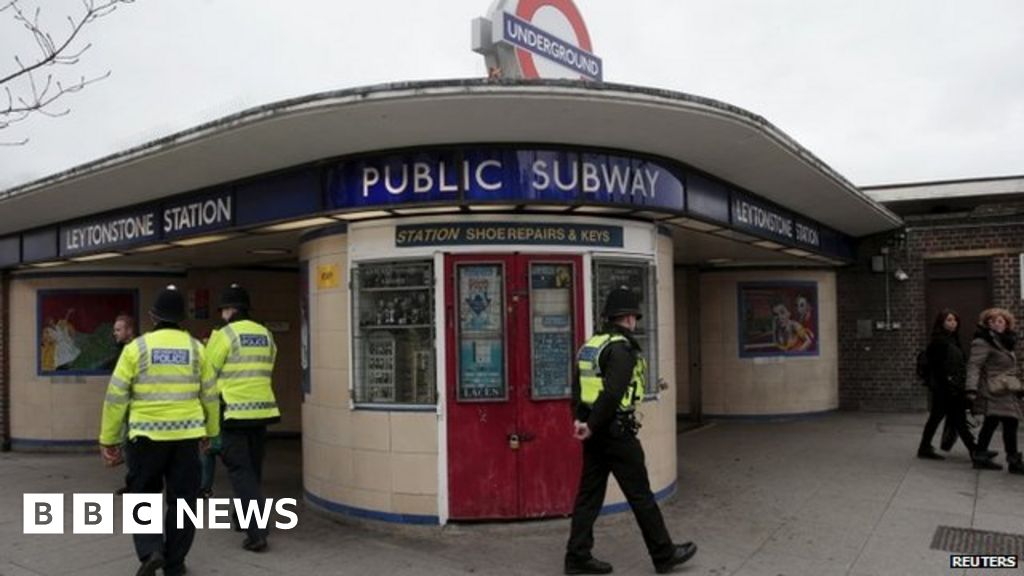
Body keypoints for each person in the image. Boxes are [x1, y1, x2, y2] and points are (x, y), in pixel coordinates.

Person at [565, 286, 697, 575]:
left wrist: (581, 421)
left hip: (594, 432)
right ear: (628, 318)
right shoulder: (621, 349)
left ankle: (577, 557)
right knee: (641, 496)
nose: (636, 322)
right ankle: (664, 555)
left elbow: (577, 387)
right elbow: (612, 394)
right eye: (635, 316)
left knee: (588, 497)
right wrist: (593, 424)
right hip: (616, 433)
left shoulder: (591, 345)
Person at [98, 285, 219, 576]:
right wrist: (210, 432)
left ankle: (151, 550)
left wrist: (109, 439)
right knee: (184, 502)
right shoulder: (196, 349)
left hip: (145, 438)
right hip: (186, 438)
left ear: (153, 316)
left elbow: (116, 398)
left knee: (144, 495)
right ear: (182, 318)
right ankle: (175, 564)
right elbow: (211, 396)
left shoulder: (136, 349)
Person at [204, 283, 280, 552]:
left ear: (229, 310)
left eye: (223, 310)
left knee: (239, 471)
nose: (222, 315)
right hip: (262, 412)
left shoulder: (224, 335)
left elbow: (208, 373)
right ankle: (242, 516)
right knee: (253, 468)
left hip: (233, 411)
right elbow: (268, 365)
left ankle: (256, 531)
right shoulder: (266, 334)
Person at [916, 309, 987, 460]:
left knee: (940, 418)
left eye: (955, 320)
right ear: (941, 323)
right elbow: (938, 368)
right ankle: (974, 450)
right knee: (957, 419)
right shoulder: (939, 342)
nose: (953, 323)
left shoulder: (953, 339)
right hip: (946, 388)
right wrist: (949, 386)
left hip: (952, 386)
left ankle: (925, 447)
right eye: (949, 320)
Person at [965, 308, 1024, 473]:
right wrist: (971, 388)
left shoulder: (1006, 341)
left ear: (1006, 324)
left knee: (993, 422)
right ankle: (1014, 462)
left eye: (1000, 321)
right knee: (1010, 422)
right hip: (993, 389)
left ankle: (981, 456)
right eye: (992, 321)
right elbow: (974, 365)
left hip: (1005, 388)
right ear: (987, 324)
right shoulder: (983, 342)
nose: (996, 324)